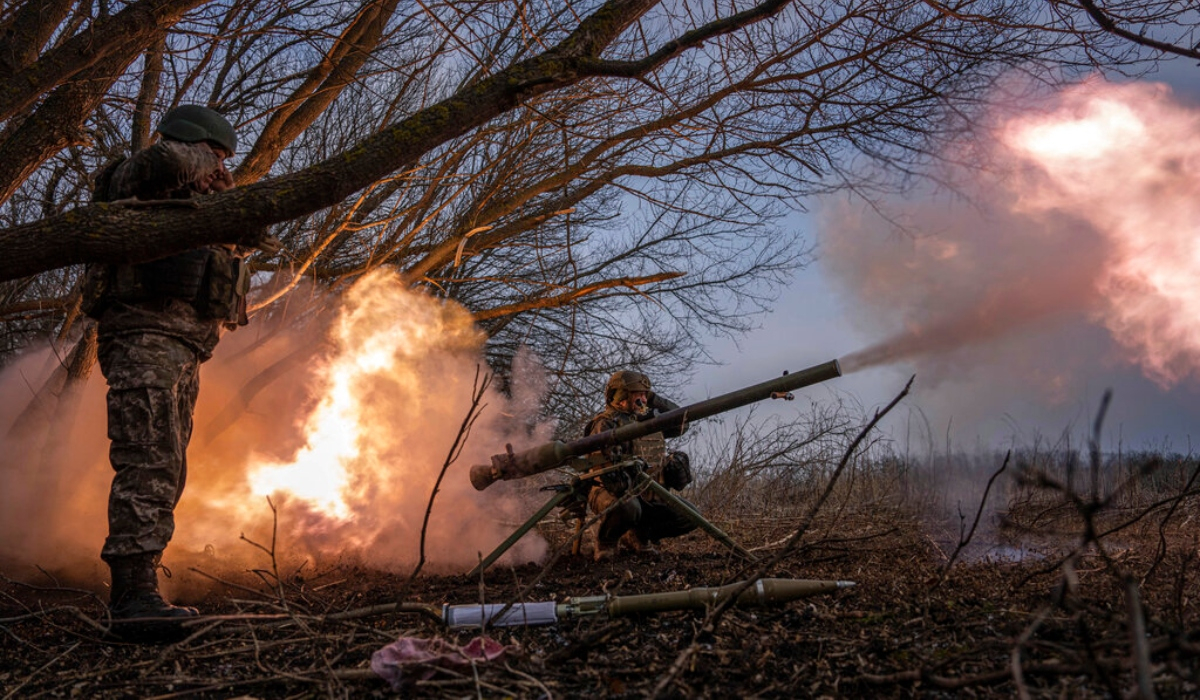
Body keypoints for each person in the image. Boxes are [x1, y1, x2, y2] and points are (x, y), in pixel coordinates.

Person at [85, 105, 279, 625]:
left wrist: (228, 198)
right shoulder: (134, 174)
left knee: (167, 464)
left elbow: (254, 234)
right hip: (144, 334)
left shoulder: (198, 201)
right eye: (214, 156)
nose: (218, 167)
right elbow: (166, 161)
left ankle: (141, 585)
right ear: (193, 144)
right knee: (148, 460)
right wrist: (200, 160)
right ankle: (131, 598)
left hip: (183, 346)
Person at [584, 370, 697, 561]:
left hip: (646, 492)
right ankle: (606, 542)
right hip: (610, 493)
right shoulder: (605, 424)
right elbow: (606, 475)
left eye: (645, 395)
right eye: (638, 394)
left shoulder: (648, 421)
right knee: (628, 507)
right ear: (621, 396)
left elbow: (682, 423)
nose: (643, 400)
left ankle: (638, 536)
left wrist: (653, 398)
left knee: (690, 515)